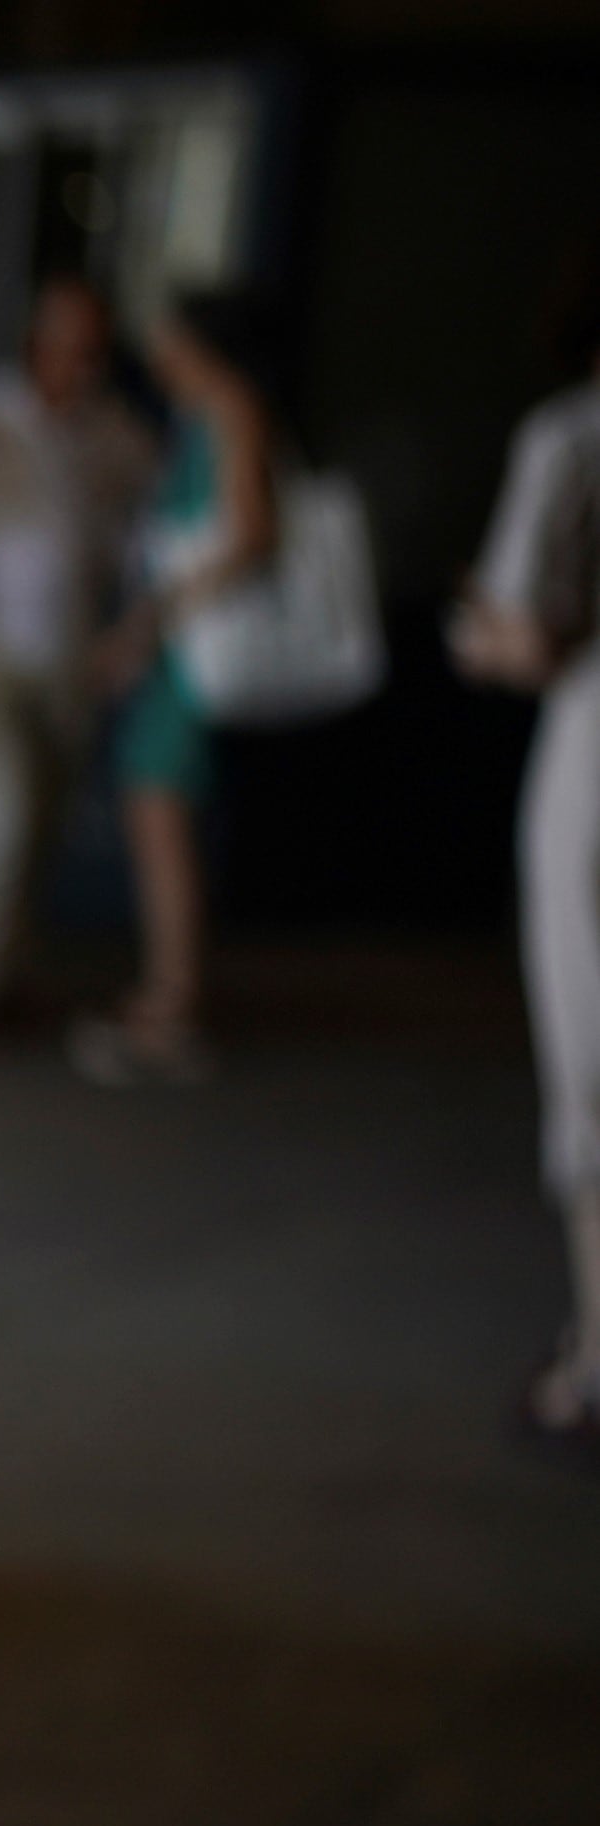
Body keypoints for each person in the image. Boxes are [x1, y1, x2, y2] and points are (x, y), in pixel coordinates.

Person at [0, 275, 159, 1032]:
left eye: (95, 353)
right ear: (34, 345)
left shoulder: (114, 435)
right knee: (1, 809)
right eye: (69, 349)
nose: (81, 368)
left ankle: (7, 971)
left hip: (70, 660)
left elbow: (154, 535)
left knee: (42, 821)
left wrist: (136, 631)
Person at [452, 255, 600, 1456]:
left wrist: (476, 629)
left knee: (592, 1056)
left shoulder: (573, 437)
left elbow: (534, 637)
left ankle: (598, 1364)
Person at [73, 289, 282, 1089]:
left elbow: (249, 533)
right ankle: (166, 993)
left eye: (169, 340)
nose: (156, 357)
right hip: (178, 647)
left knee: (162, 816)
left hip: (195, 652)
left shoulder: (230, 407)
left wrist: (152, 624)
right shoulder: (196, 416)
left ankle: (174, 1005)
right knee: (154, 813)